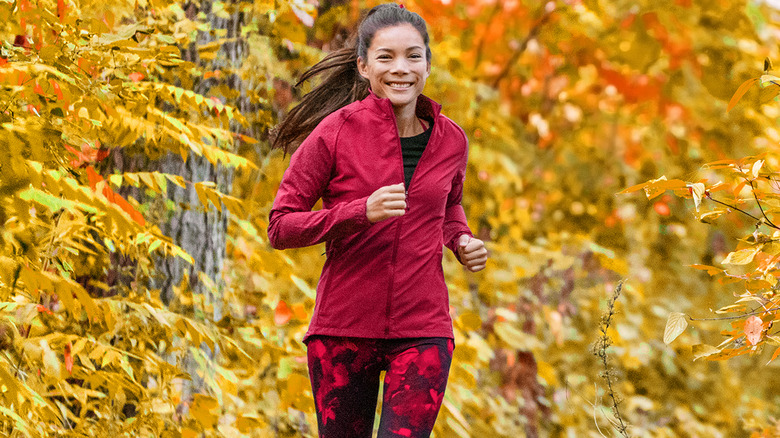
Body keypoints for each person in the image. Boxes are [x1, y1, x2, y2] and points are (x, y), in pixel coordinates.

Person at [267, 4, 488, 437]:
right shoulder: (335, 132)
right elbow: (281, 225)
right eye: (386, 57)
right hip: (343, 331)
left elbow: (448, 206)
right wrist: (357, 212)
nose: (400, 68)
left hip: (423, 331)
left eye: (413, 56)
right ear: (364, 66)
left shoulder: (452, 140)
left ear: (427, 63)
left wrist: (461, 240)